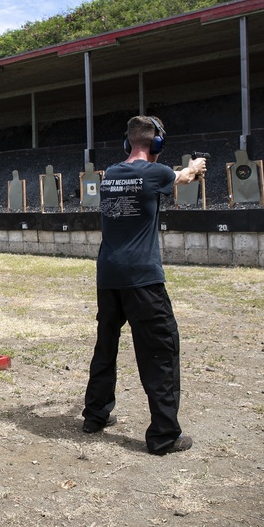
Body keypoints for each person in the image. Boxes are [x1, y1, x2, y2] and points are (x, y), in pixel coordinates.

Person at [82, 115, 206, 455]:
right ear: (157, 145)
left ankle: (95, 416)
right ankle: (164, 436)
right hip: (143, 279)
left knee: (106, 346)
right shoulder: (158, 172)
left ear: (127, 143)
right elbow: (183, 176)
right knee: (160, 352)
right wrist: (195, 165)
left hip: (108, 276)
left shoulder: (109, 176)